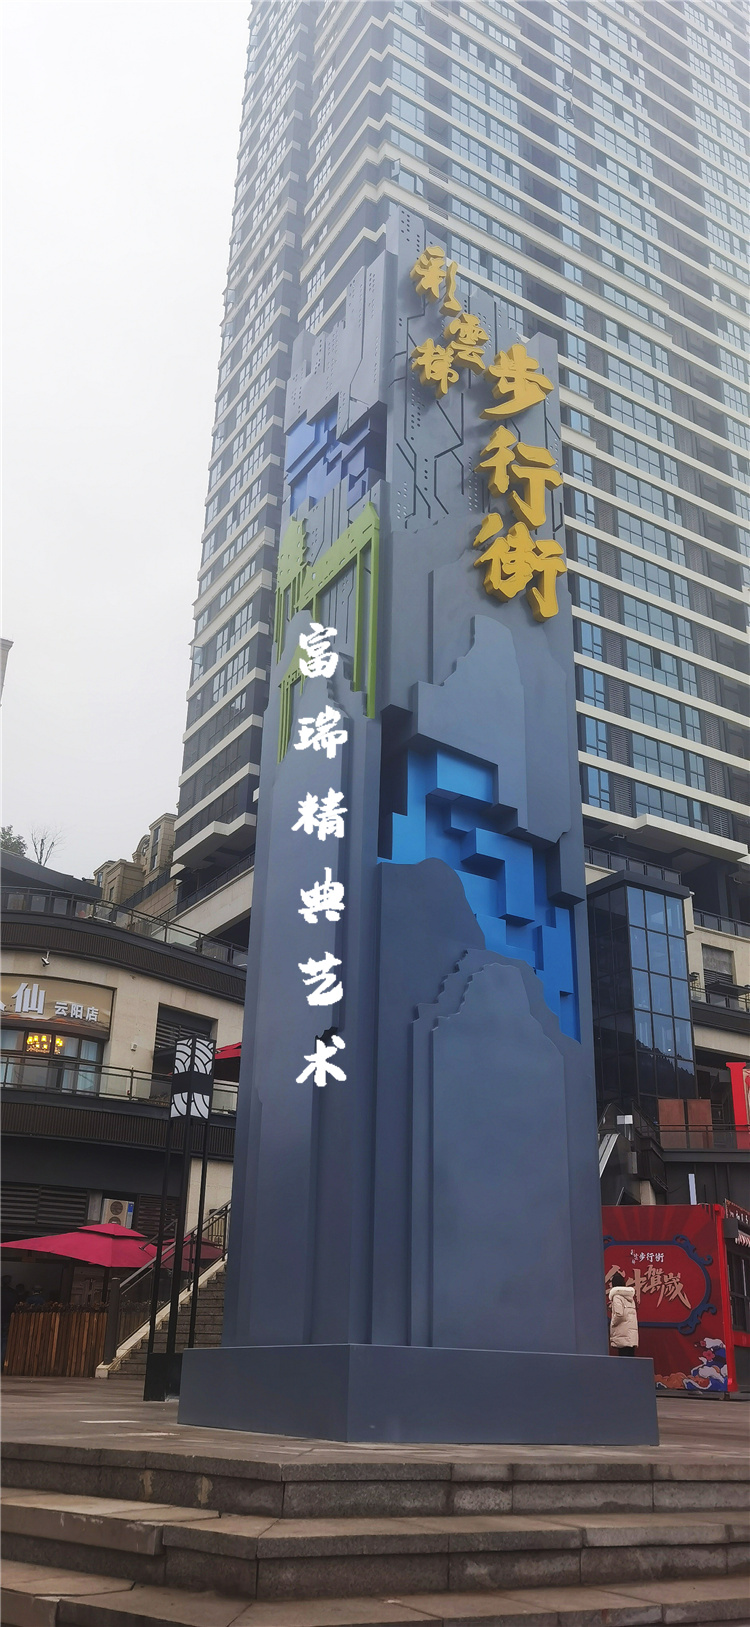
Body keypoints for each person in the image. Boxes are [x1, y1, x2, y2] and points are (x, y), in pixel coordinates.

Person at [608, 1269, 639, 1356]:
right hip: (631, 1335)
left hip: (622, 1334)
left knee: (623, 1359)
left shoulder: (617, 1297)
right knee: (630, 1359)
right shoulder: (630, 1297)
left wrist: (613, 1323)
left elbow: (619, 1314)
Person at [1, 1275, 18, 1365]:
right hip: (7, 1318)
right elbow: (15, 1305)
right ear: (10, 1282)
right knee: (4, 1340)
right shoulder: (13, 1293)